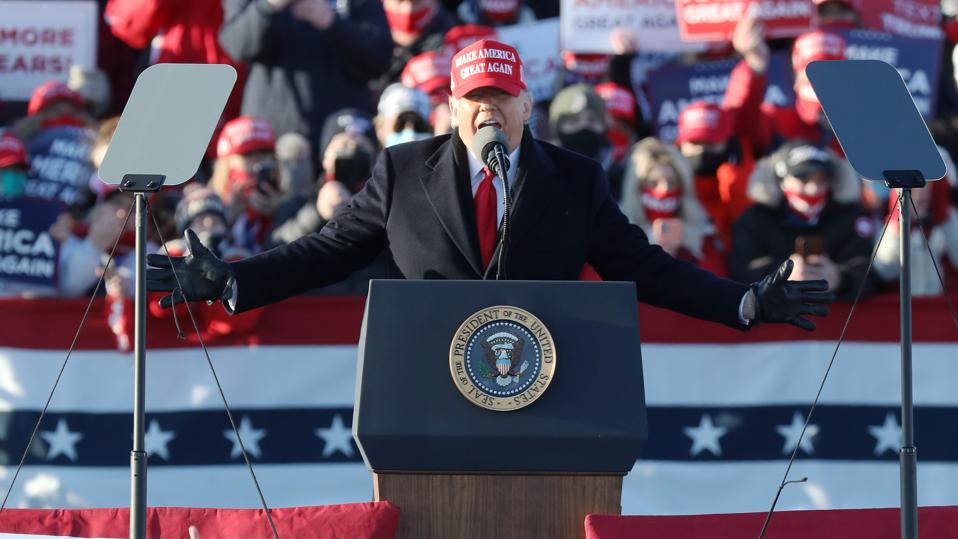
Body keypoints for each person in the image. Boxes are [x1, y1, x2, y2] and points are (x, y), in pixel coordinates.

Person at [147, 39, 833, 332]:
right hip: (425, 391)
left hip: (547, 385)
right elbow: (326, 251)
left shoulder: (575, 179)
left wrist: (742, 302)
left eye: (501, 96)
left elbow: (644, 268)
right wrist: (235, 281)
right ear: (450, 106)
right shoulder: (402, 172)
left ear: (528, 105)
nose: (487, 110)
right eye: (474, 97)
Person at [218, 0, 392, 153]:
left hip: (343, 137)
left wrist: (331, 22)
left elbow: (379, 59)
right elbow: (237, 46)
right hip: (272, 139)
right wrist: (268, 5)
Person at [728, 141, 874, 300]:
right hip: (774, 320)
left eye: (822, 180)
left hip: (838, 318)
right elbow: (740, 268)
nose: (813, 189)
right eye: (802, 179)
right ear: (780, 180)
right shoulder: (755, 219)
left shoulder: (852, 217)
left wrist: (840, 279)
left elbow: (872, 271)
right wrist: (783, 273)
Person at [620, 138, 727, 276]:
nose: (664, 190)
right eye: (653, 183)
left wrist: (684, 256)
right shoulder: (618, 235)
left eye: (671, 182)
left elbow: (716, 285)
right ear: (637, 189)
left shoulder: (703, 236)